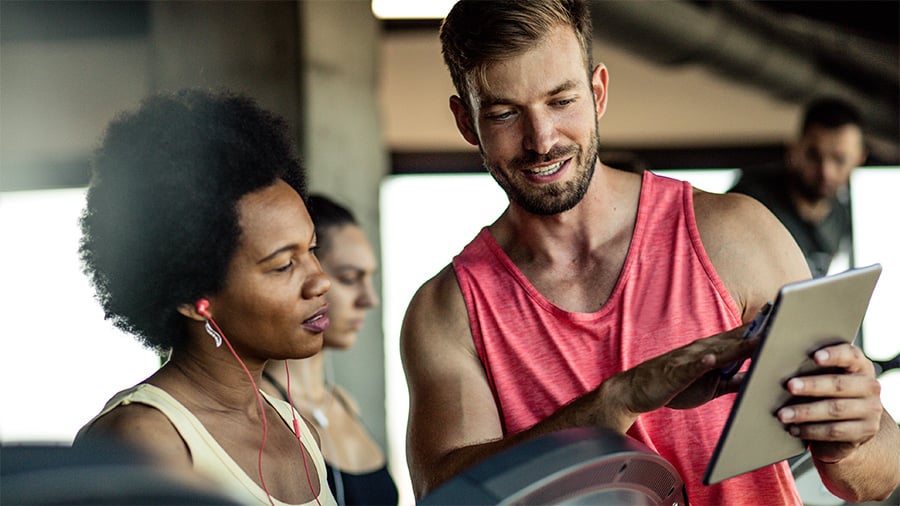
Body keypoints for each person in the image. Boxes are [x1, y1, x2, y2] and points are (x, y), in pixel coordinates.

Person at [399, 1, 900, 505]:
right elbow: (449, 500)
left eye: (561, 101)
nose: (542, 140)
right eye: (505, 113)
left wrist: (851, 438)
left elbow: (878, 475)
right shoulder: (449, 311)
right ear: (467, 121)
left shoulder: (736, 236)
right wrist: (619, 399)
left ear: (597, 93)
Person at [74, 89, 337, 506]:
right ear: (193, 296)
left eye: (312, 249)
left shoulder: (299, 429)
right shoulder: (145, 438)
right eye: (283, 265)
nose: (320, 281)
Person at [262, 194, 399, 506]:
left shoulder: (345, 403)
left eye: (370, 279)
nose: (369, 299)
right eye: (350, 278)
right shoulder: (258, 410)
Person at [730, 97, 867, 278]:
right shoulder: (751, 201)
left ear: (858, 160)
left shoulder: (840, 216)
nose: (826, 172)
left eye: (839, 159)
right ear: (794, 150)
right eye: (813, 156)